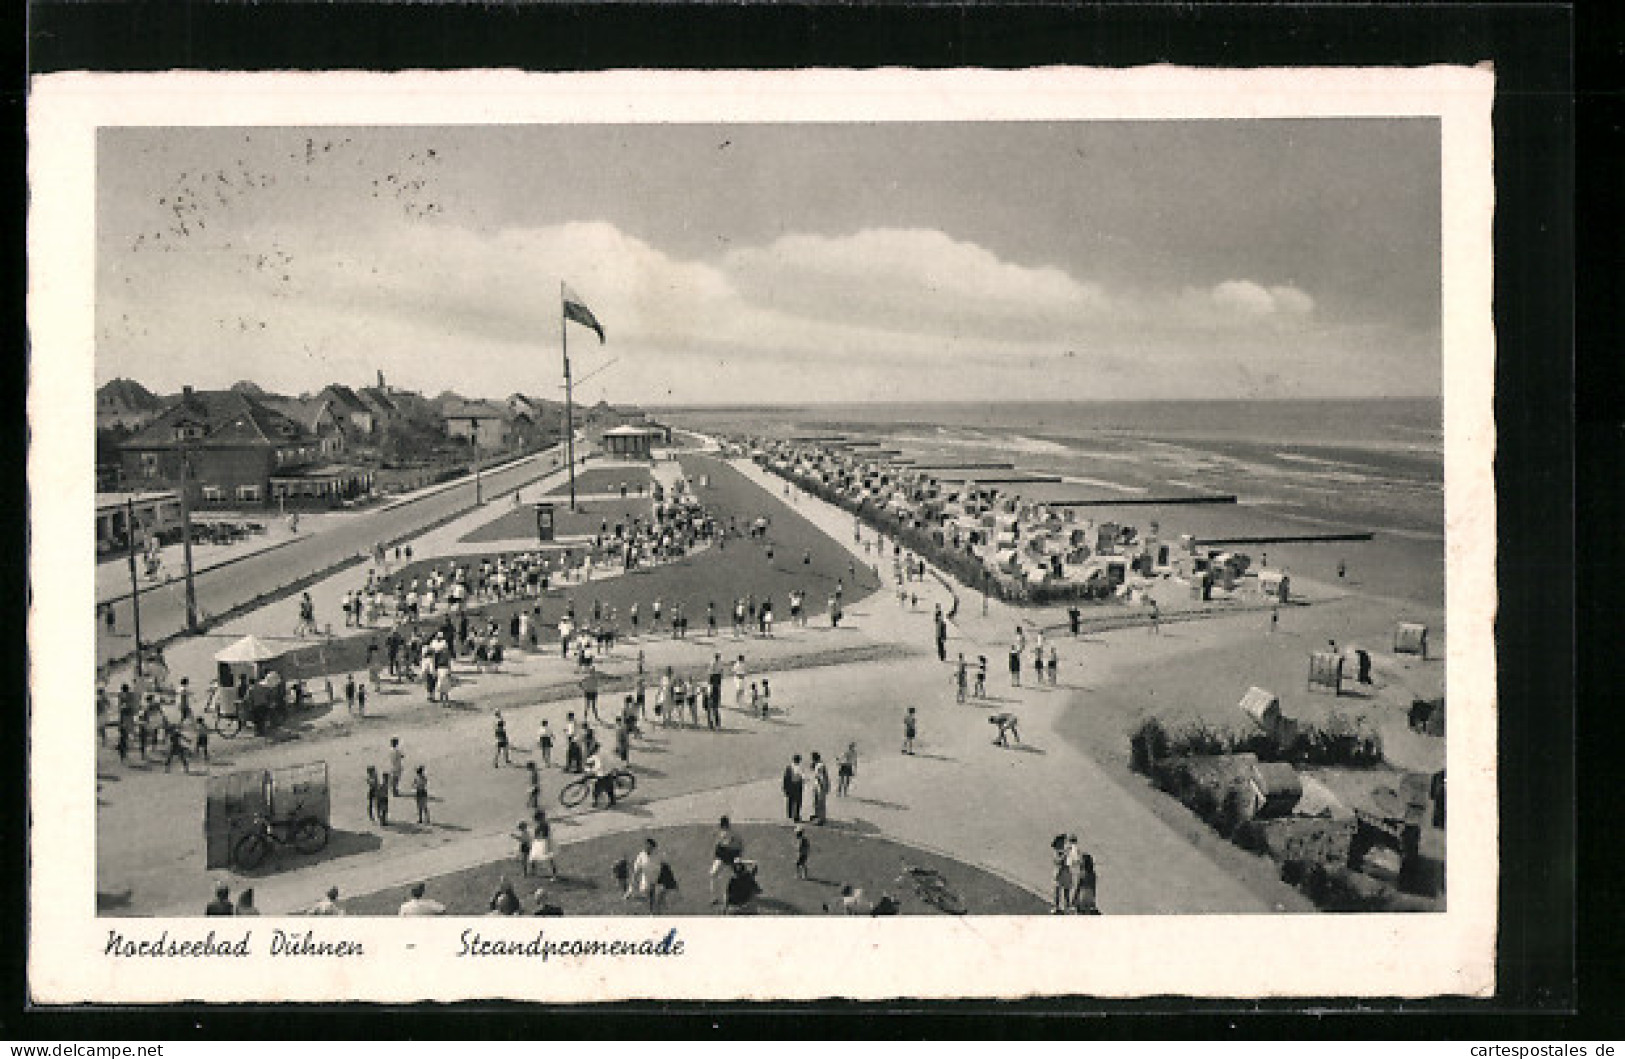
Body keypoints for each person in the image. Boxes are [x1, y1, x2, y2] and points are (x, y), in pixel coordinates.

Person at [709, 816, 743, 903]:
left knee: (735, 878)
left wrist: (738, 857)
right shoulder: (723, 833)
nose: (723, 827)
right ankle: (715, 898)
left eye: (724, 825)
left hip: (732, 858)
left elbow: (737, 845)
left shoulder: (733, 834)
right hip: (723, 857)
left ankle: (737, 895)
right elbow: (719, 847)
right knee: (713, 874)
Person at [530, 811, 560, 878]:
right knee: (534, 857)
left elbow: (544, 835)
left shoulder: (544, 825)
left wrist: (538, 837)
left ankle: (554, 874)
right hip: (541, 841)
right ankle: (534, 871)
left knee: (549, 859)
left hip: (545, 842)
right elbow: (538, 834)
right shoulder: (541, 825)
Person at [782, 754, 805, 822]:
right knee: (792, 801)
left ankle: (795, 815)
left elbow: (802, 777)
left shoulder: (798, 768)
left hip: (796, 785)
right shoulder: (790, 767)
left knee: (796, 801)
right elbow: (786, 778)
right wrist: (785, 787)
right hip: (792, 785)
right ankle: (791, 816)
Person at [809, 752, 831, 825]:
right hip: (817, 785)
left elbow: (821, 777)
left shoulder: (820, 766)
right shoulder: (818, 765)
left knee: (820, 803)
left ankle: (821, 819)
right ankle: (817, 816)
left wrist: (822, 787)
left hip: (820, 786)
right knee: (816, 802)